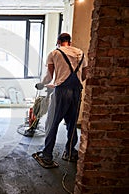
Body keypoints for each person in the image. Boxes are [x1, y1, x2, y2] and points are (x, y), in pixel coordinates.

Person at [32, 33, 88, 168]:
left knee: (52, 123)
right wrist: (66, 85)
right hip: (76, 92)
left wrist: (42, 84)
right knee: (72, 124)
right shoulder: (81, 53)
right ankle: (70, 152)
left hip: (61, 93)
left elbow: (49, 77)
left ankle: (47, 157)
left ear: (58, 41)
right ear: (70, 42)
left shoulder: (54, 53)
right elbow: (84, 75)